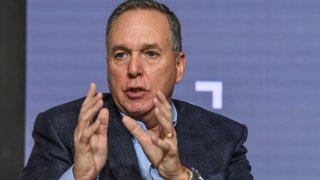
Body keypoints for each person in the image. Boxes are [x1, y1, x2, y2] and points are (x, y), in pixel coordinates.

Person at [20, 0, 253, 179]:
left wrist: (178, 176)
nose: (133, 69)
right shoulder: (64, 128)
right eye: (121, 55)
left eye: (150, 53)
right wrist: (80, 177)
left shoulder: (224, 137)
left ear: (179, 66)